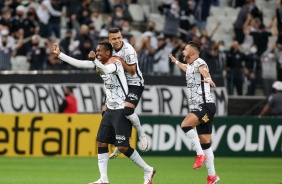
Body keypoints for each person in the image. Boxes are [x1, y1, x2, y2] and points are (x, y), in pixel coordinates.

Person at [52, 41, 156, 184]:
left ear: (108, 53)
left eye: (100, 51)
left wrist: (94, 60)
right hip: (110, 109)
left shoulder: (116, 63)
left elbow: (106, 70)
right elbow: (79, 64)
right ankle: (103, 179)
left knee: (122, 147)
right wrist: (60, 55)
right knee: (101, 142)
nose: (97, 53)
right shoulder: (99, 63)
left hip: (121, 109)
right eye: (96, 51)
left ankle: (147, 169)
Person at [168, 41, 220, 184]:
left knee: (185, 124)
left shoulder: (200, 62)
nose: (183, 52)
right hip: (201, 106)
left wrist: (208, 78)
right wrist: (176, 61)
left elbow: (204, 70)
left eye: (185, 50)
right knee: (205, 142)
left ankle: (199, 155)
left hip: (205, 106)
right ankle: (212, 176)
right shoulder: (191, 66)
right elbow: (186, 68)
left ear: (192, 53)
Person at [107, 28, 148, 159]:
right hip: (120, 85)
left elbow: (132, 71)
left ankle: (141, 134)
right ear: (110, 40)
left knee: (128, 110)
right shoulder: (108, 50)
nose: (118, 40)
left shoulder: (128, 49)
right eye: (114, 38)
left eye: (119, 37)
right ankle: (120, 144)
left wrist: (119, 60)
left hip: (135, 84)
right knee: (111, 112)